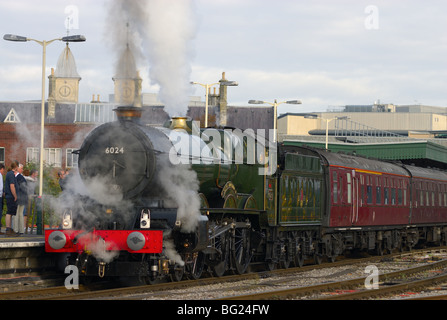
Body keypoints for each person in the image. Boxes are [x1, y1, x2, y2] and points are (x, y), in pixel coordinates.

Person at [4, 162, 19, 237]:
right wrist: (15, 195)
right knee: (9, 212)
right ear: (16, 167)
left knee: (11, 212)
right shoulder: (11, 174)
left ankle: (9, 228)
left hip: (9, 195)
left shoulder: (9, 174)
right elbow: (12, 186)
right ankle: (8, 229)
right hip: (10, 196)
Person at [14, 164, 27, 234]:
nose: (22, 170)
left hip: (19, 198)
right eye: (21, 168)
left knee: (17, 214)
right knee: (20, 214)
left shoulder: (18, 177)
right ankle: (21, 230)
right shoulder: (21, 177)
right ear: (17, 169)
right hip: (22, 198)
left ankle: (16, 230)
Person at [25, 169, 38, 233]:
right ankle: (25, 226)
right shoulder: (28, 179)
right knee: (26, 212)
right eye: (36, 173)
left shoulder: (35, 180)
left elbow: (34, 189)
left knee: (29, 212)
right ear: (33, 173)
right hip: (27, 197)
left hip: (31, 197)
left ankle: (27, 225)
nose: (37, 175)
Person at [0, 164, 5, 234]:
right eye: (3, 170)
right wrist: (3, 193)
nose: (4, 172)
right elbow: (0, 187)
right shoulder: (0, 175)